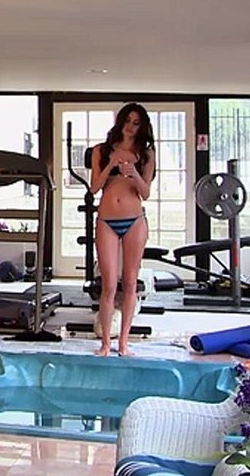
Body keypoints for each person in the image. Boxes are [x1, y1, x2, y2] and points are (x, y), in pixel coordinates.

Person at [87, 103, 155, 357]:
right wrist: (111, 165)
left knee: (130, 281)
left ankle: (124, 342)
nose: (130, 126)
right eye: (127, 120)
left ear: (142, 127)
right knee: (108, 284)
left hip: (134, 220)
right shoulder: (101, 150)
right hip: (107, 220)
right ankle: (105, 343)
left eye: (136, 123)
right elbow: (95, 188)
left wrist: (133, 173)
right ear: (120, 121)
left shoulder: (146, 154)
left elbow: (145, 193)